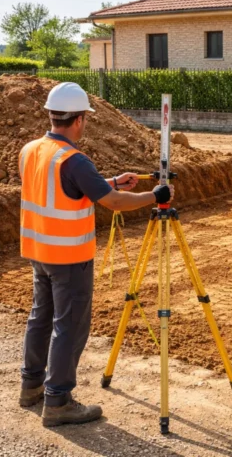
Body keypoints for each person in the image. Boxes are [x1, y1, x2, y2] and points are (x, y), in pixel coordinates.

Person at [17, 82, 174, 427]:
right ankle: (58, 401)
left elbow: (64, 189)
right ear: (78, 120)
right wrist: (155, 195)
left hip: (38, 252)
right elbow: (112, 203)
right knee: (69, 328)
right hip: (69, 257)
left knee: (41, 318)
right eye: (86, 119)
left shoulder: (31, 150)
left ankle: (31, 387)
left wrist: (111, 181)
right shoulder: (75, 160)